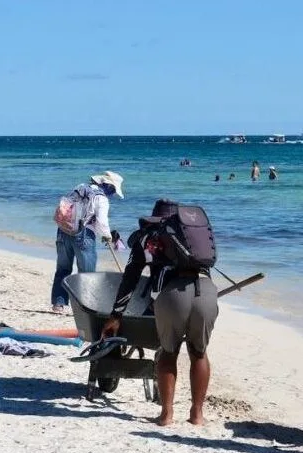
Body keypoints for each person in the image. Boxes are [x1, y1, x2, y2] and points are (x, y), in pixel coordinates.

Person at [101, 199, 219, 426]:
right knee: (199, 353)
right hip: (206, 292)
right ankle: (197, 415)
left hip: (172, 296)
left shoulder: (147, 237)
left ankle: (166, 415)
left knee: (168, 352)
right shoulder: (192, 239)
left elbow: (130, 279)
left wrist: (116, 315)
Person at [50, 171, 124, 313]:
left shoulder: (81, 187)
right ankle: (85, 307)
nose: (113, 193)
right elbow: (102, 222)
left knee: (63, 269)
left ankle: (58, 304)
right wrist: (107, 237)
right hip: (84, 235)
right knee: (87, 274)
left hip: (63, 230)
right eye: (113, 190)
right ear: (107, 186)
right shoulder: (101, 199)